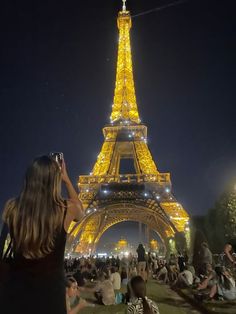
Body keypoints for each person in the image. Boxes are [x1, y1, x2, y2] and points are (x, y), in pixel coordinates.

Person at [0, 155, 84, 314]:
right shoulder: (66, 209)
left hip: (16, 293)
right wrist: (66, 180)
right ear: (55, 180)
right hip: (50, 296)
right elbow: (81, 213)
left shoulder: (12, 207)